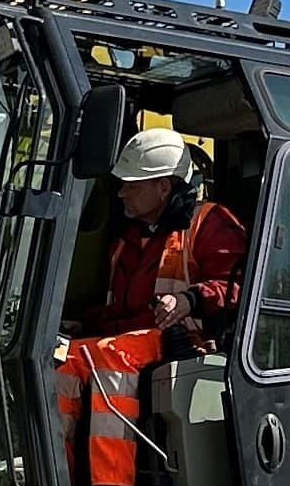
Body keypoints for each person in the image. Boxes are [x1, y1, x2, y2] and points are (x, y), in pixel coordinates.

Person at [93, 125, 245, 355]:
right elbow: (121, 312)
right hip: (127, 347)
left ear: (163, 187)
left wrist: (190, 300)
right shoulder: (128, 238)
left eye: (132, 186)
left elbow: (240, 289)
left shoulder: (209, 224)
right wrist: (84, 325)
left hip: (179, 356)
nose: (121, 193)